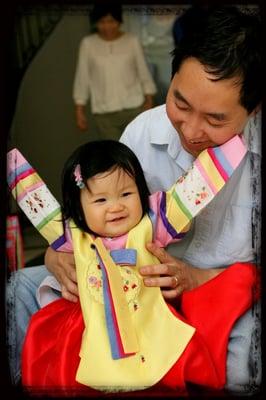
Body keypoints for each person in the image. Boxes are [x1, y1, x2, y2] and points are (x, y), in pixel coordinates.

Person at [6, 5, 262, 394]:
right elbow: (95, 214)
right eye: (180, 103)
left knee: (244, 364)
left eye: (215, 120)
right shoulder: (143, 132)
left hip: (219, 292)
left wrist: (199, 278)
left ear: (254, 109)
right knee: (21, 289)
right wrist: (62, 255)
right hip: (127, 283)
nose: (191, 131)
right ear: (173, 78)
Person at [7, 138, 253, 394]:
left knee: (166, 375)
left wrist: (235, 145)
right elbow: (37, 203)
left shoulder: (153, 223)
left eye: (126, 194)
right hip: (91, 328)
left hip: (151, 322)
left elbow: (192, 191)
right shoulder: (74, 234)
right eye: (100, 200)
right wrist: (11, 164)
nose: (116, 207)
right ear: (78, 208)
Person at [73, 3, 157, 140]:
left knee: (137, 154)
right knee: (115, 157)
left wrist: (149, 100)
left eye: (111, 21)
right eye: (102, 22)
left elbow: (143, 71)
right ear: (96, 22)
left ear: (119, 21)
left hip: (134, 109)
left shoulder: (132, 41)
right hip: (104, 114)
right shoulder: (87, 44)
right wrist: (79, 110)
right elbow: (82, 77)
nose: (107, 26)